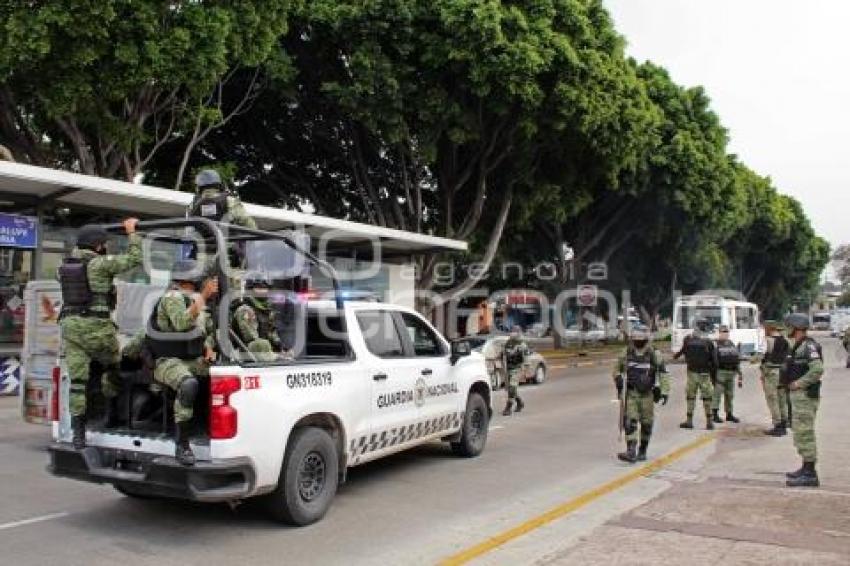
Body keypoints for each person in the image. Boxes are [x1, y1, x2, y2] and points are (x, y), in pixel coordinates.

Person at [58, 218, 141, 449]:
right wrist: (132, 233)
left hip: (71, 329)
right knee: (114, 367)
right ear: (97, 246)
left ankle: (78, 435)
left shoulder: (63, 268)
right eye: (103, 244)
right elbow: (135, 259)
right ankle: (112, 415)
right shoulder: (101, 264)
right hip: (97, 330)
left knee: (78, 383)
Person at [146, 259, 219, 465]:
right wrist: (204, 296)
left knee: (224, 375)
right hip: (167, 361)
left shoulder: (192, 299)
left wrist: (209, 346)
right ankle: (182, 444)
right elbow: (181, 323)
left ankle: (206, 425)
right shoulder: (173, 296)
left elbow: (203, 330)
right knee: (188, 384)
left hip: (191, 359)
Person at [613, 328, 670, 463]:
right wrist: (618, 378)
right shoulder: (626, 352)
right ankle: (631, 451)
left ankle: (642, 450)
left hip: (648, 395)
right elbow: (616, 368)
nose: (638, 342)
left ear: (646, 339)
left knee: (646, 423)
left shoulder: (653, 353)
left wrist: (665, 391)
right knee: (629, 421)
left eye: (641, 340)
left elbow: (663, 372)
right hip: (632, 393)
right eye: (635, 340)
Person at [781, 313, 824, 488]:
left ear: (796, 327)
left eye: (789, 326)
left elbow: (817, 369)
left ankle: (810, 474)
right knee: (800, 433)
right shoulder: (798, 346)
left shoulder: (809, 346)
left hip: (805, 397)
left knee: (805, 433)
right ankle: (805, 467)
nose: (787, 330)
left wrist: (799, 383)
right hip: (799, 398)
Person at [673, 318, 717, 430]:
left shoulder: (688, 339)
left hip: (692, 372)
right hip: (705, 374)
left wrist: (676, 356)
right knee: (707, 398)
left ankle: (689, 421)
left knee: (690, 397)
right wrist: (714, 377)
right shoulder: (709, 342)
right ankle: (709, 422)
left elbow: (682, 351)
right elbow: (714, 361)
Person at [231, 274, 285, 362]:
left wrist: (280, 347)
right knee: (260, 344)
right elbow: (252, 339)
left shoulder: (266, 309)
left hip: (262, 355)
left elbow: (271, 333)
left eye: (265, 288)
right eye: (259, 288)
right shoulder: (245, 310)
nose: (263, 291)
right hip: (246, 356)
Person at [187, 168, 257, 228]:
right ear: (218, 185)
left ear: (199, 187)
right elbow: (251, 226)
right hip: (225, 243)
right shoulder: (230, 201)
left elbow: (188, 230)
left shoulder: (192, 205)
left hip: (200, 243)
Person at [760, 320, 790, 436]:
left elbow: (760, 355)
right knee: (782, 399)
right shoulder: (785, 341)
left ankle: (777, 426)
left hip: (771, 373)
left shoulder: (768, 341)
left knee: (772, 399)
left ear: (769, 328)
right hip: (782, 373)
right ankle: (784, 423)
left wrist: (754, 359)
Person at [711, 325, 742, 424]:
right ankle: (714, 414)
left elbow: (736, 358)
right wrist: (713, 375)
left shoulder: (731, 343)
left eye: (726, 332)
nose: (725, 334)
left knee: (730, 395)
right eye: (723, 332)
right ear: (719, 333)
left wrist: (739, 372)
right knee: (717, 394)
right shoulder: (715, 344)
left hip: (731, 372)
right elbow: (714, 360)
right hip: (720, 372)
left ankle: (729, 414)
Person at [501, 326, 528, 416]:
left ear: (519, 333)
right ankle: (520, 403)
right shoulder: (508, 342)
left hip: (517, 368)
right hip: (509, 368)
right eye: (512, 331)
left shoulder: (522, 344)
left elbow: (526, 358)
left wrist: (524, 370)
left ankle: (508, 407)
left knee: (512, 387)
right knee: (510, 388)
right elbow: (504, 354)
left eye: (515, 331)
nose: (512, 333)